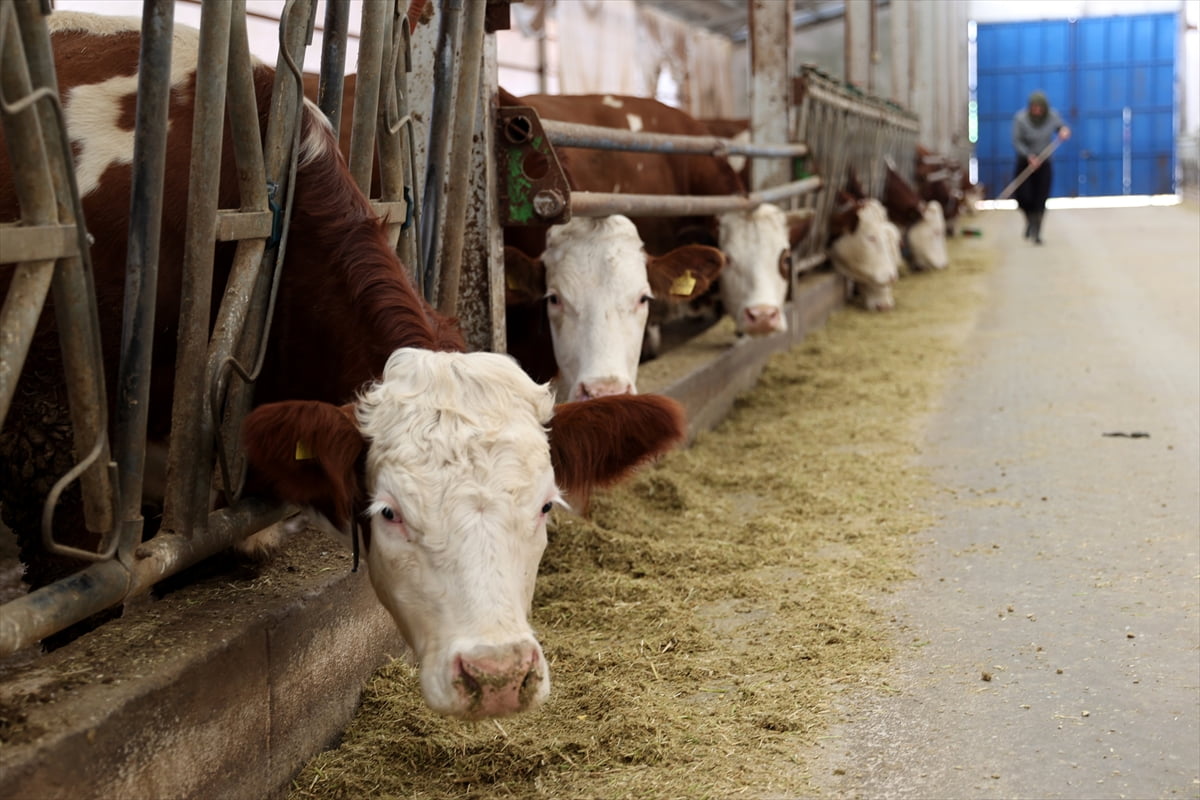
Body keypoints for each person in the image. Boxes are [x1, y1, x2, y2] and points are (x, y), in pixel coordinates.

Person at [1011, 90, 1071, 244]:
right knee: (1023, 197)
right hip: (1025, 162)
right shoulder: (1020, 119)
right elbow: (1017, 141)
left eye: (1040, 108)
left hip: (1044, 162)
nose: (1037, 111)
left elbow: (1061, 127)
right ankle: (1029, 219)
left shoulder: (1052, 116)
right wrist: (1029, 156)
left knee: (1040, 197)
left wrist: (1064, 130)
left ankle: (1037, 231)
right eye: (1034, 108)